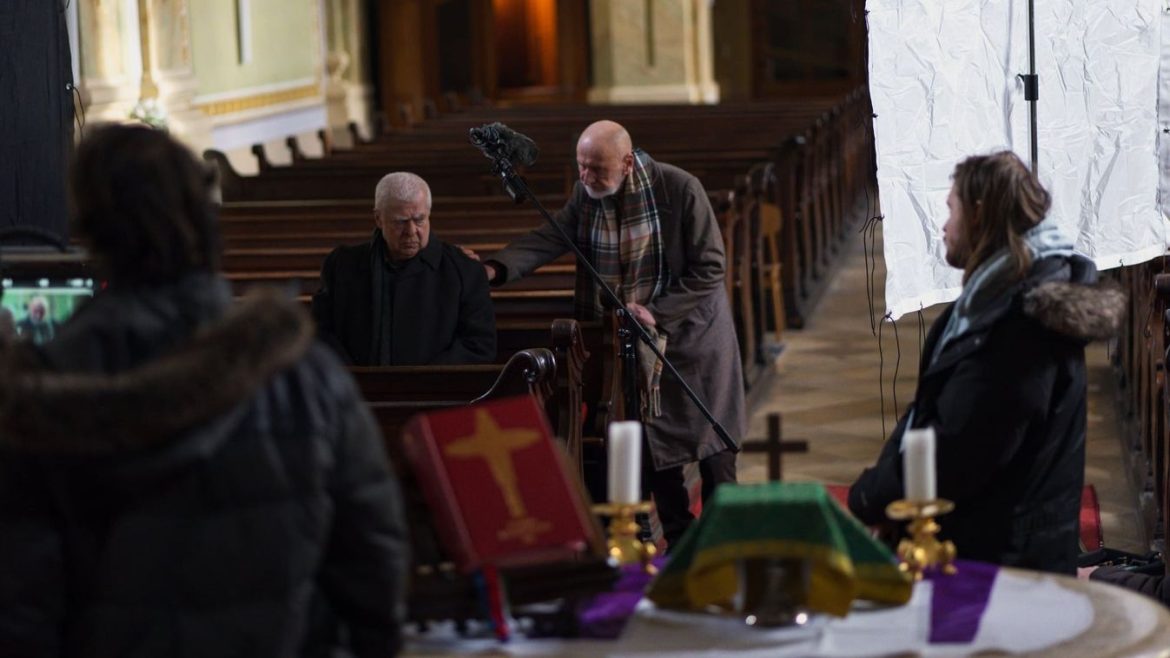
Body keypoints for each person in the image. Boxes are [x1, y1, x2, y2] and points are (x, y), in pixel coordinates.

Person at [0, 124, 409, 657]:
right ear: (204, 216)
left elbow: (22, 601)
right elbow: (373, 560)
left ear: (91, 228)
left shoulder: (42, 390)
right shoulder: (303, 375)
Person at [848, 151, 1125, 574]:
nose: (944, 226)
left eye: (951, 210)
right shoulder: (990, 301)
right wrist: (884, 490)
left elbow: (960, 451)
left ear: (978, 214)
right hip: (985, 552)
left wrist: (871, 496)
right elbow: (929, 411)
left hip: (1004, 569)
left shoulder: (1021, 326)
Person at [481, 120, 745, 548]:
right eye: (581, 166)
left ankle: (724, 544)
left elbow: (711, 267)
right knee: (658, 448)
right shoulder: (585, 195)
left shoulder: (679, 189)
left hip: (692, 338)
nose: (586, 177)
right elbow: (551, 236)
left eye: (597, 169)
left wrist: (656, 312)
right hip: (636, 344)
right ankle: (679, 542)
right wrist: (495, 269)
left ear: (626, 163)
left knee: (712, 446)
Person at [312, 172, 496, 366]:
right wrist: (351, 377)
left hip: (437, 384)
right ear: (378, 218)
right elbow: (319, 333)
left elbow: (479, 345)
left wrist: (423, 378)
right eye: (400, 221)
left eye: (419, 220)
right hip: (351, 382)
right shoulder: (342, 265)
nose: (411, 231)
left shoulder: (465, 270)